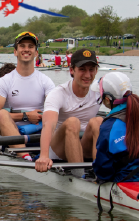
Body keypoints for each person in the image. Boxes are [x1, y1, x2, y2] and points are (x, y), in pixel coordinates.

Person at [0, 32, 55, 160]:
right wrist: (25, 116)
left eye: (30, 46)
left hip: (40, 135)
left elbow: (56, 111)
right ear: (15, 52)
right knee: (0, 114)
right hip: (13, 135)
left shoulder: (46, 81)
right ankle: (25, 157)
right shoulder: (5, 81)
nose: (26, 49)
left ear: (36, 53)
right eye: (22, 46)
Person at [35, 48, 103, 176]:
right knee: (72, 122)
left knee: (98, 121)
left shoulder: (100, 91)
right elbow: (48, 125)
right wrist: (43, 155)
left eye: (91, 69)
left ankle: (102, 173)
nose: (88, 75)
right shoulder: (58, 93)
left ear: (96, 71)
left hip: (84, 145)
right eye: (82, 69)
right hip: (60, 149)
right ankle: (80, 177)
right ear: (72, 70)